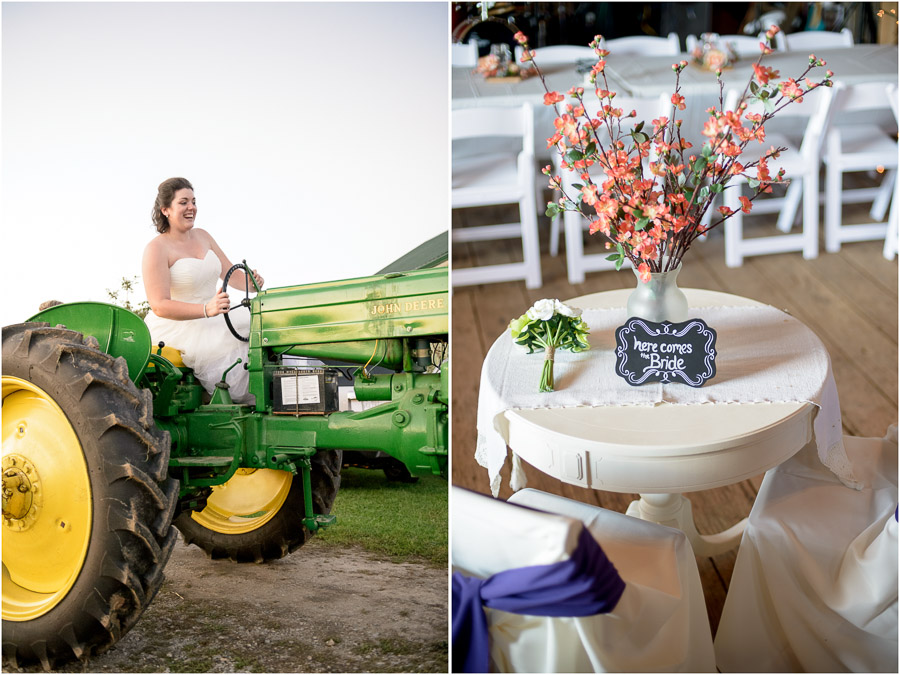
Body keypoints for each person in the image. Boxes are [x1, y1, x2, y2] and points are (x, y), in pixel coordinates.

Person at [142, 177, 264, 404]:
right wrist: (207, 309)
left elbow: (232, 275)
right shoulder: (156, 248)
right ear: (166, 210)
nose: (191, 208)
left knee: (260, 326)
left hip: (215, 313)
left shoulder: (203, 236)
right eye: (184, 202)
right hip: (180, 324)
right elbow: (159, 304)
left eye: (194, 201)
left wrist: (251, 282)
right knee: (229, 348)